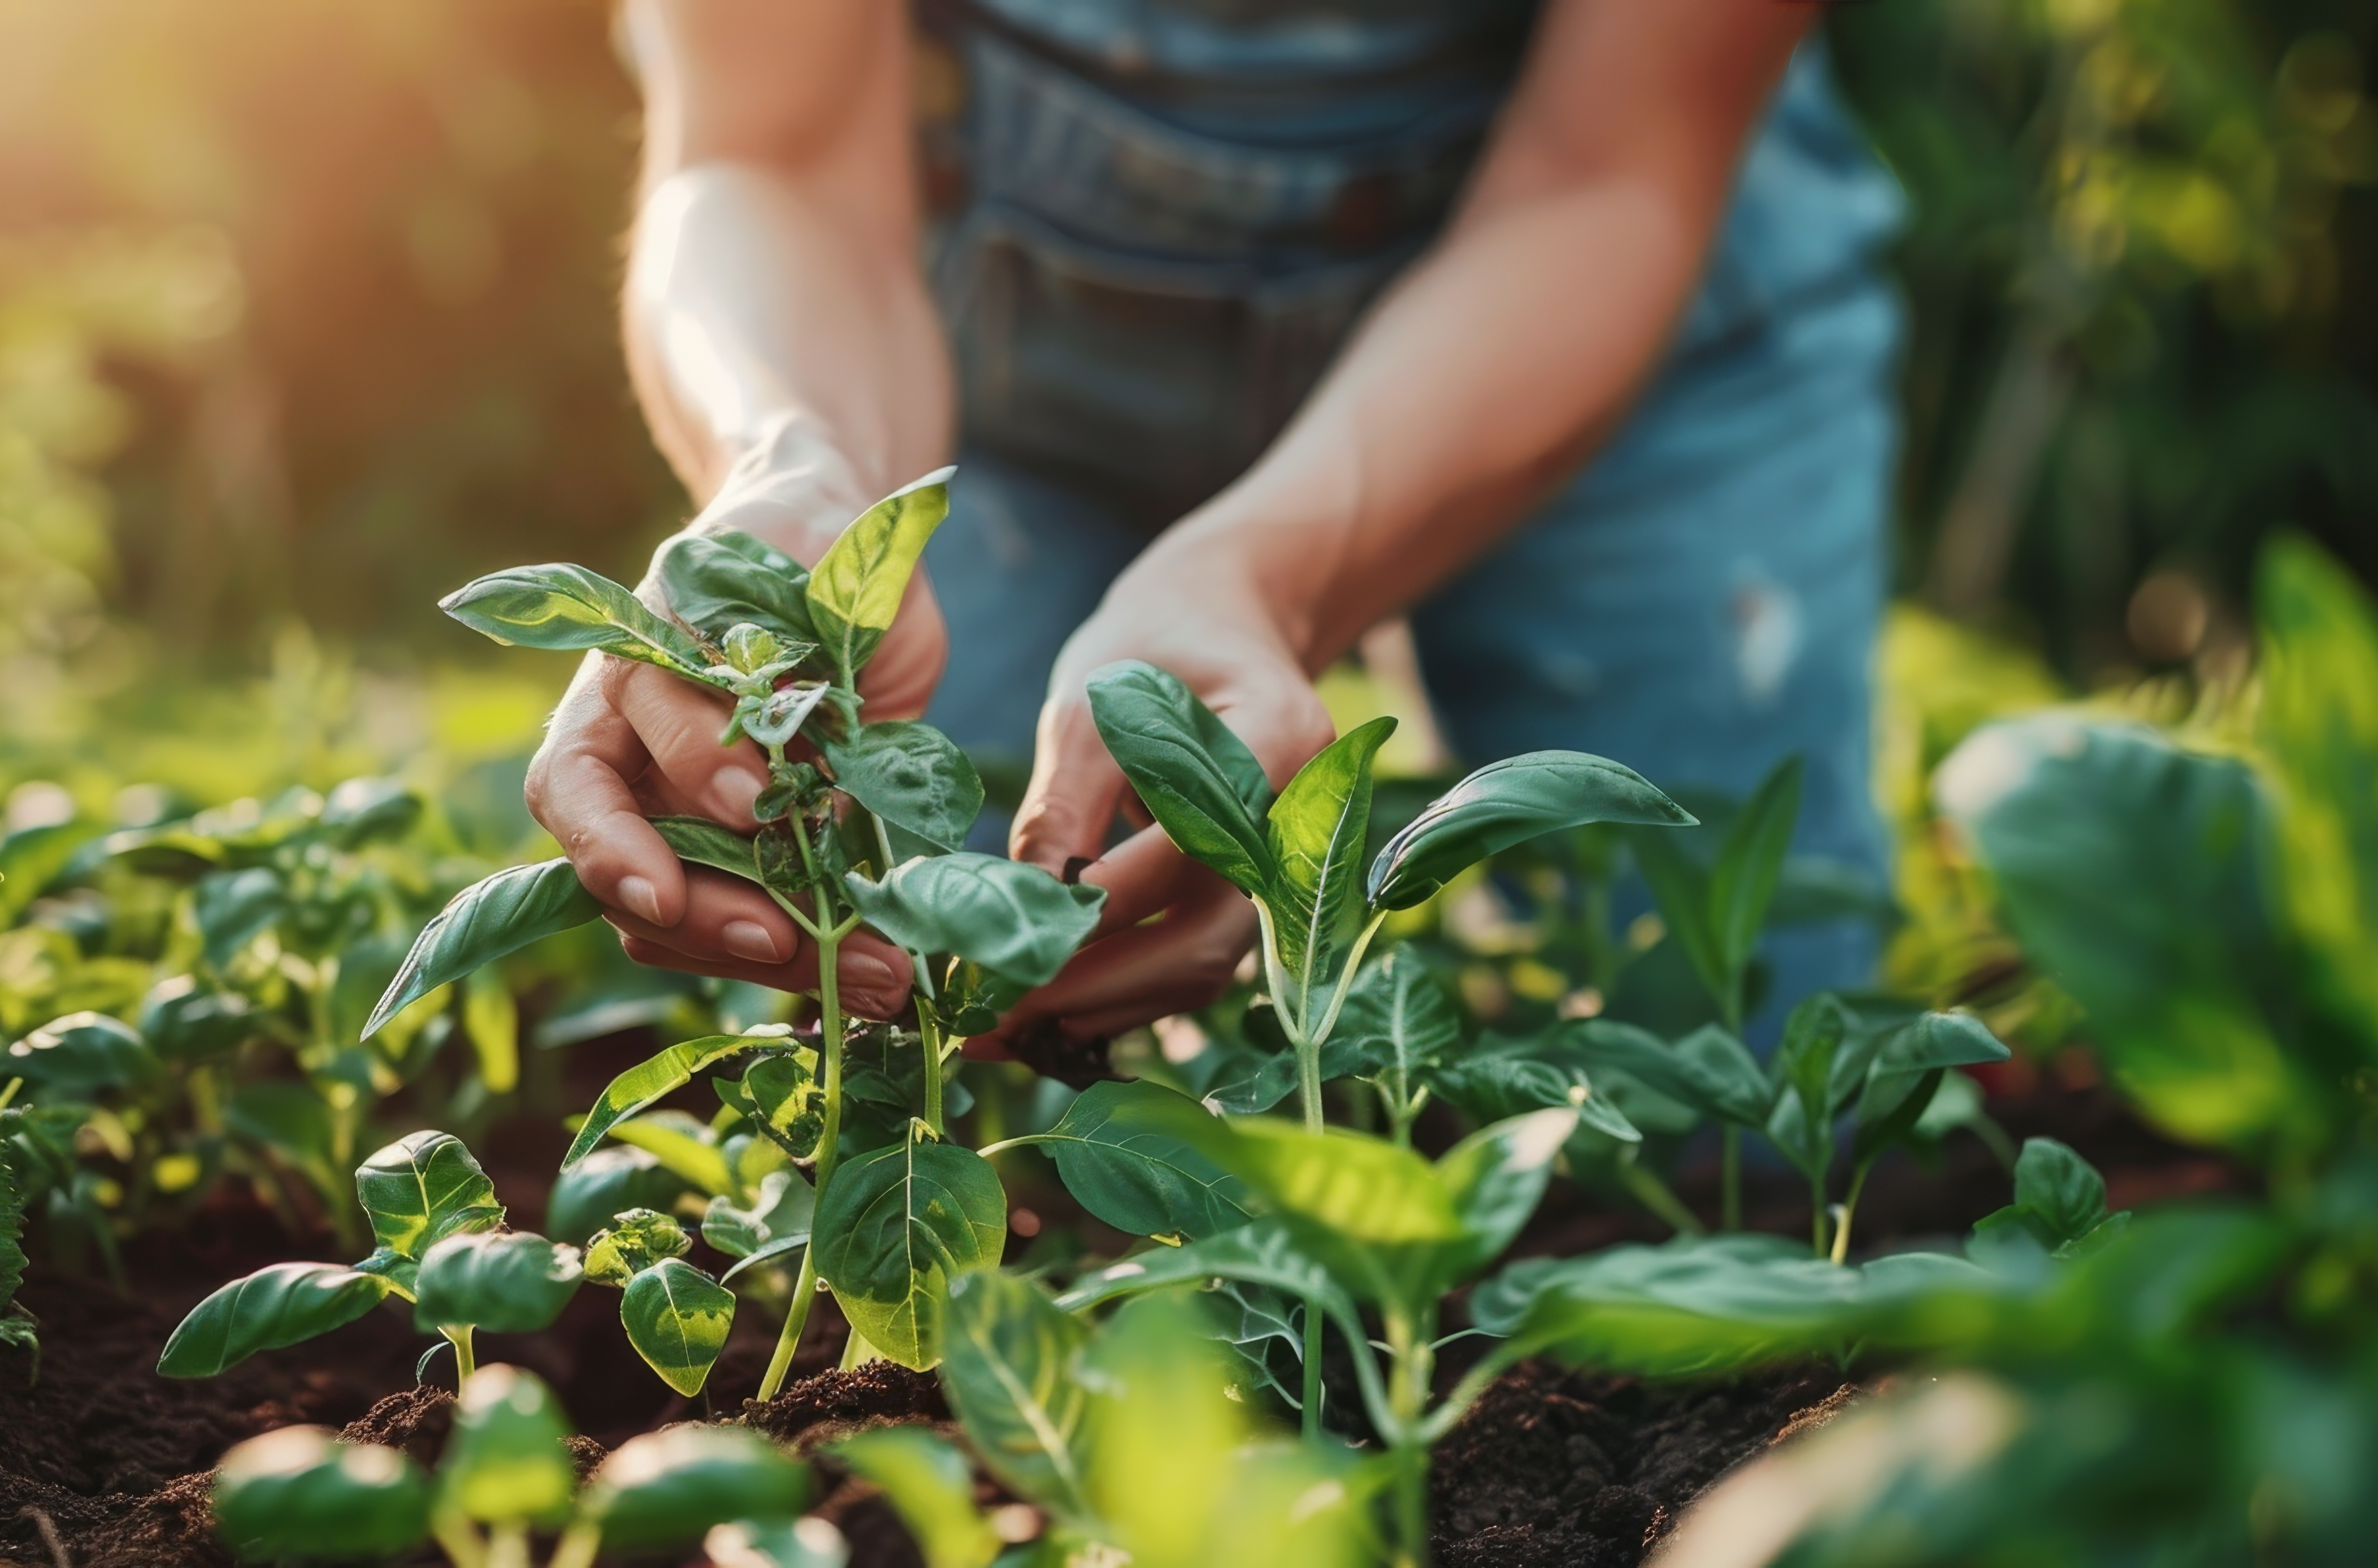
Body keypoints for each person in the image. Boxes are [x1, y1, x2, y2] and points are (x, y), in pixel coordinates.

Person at [525, 0, 1903, 1055]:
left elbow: (1610, 169)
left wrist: (1274, 573)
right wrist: (800, 468)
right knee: (942, 995)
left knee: (1741, 1087)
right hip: (982, 358)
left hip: (1623, 290)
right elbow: (777, 151)